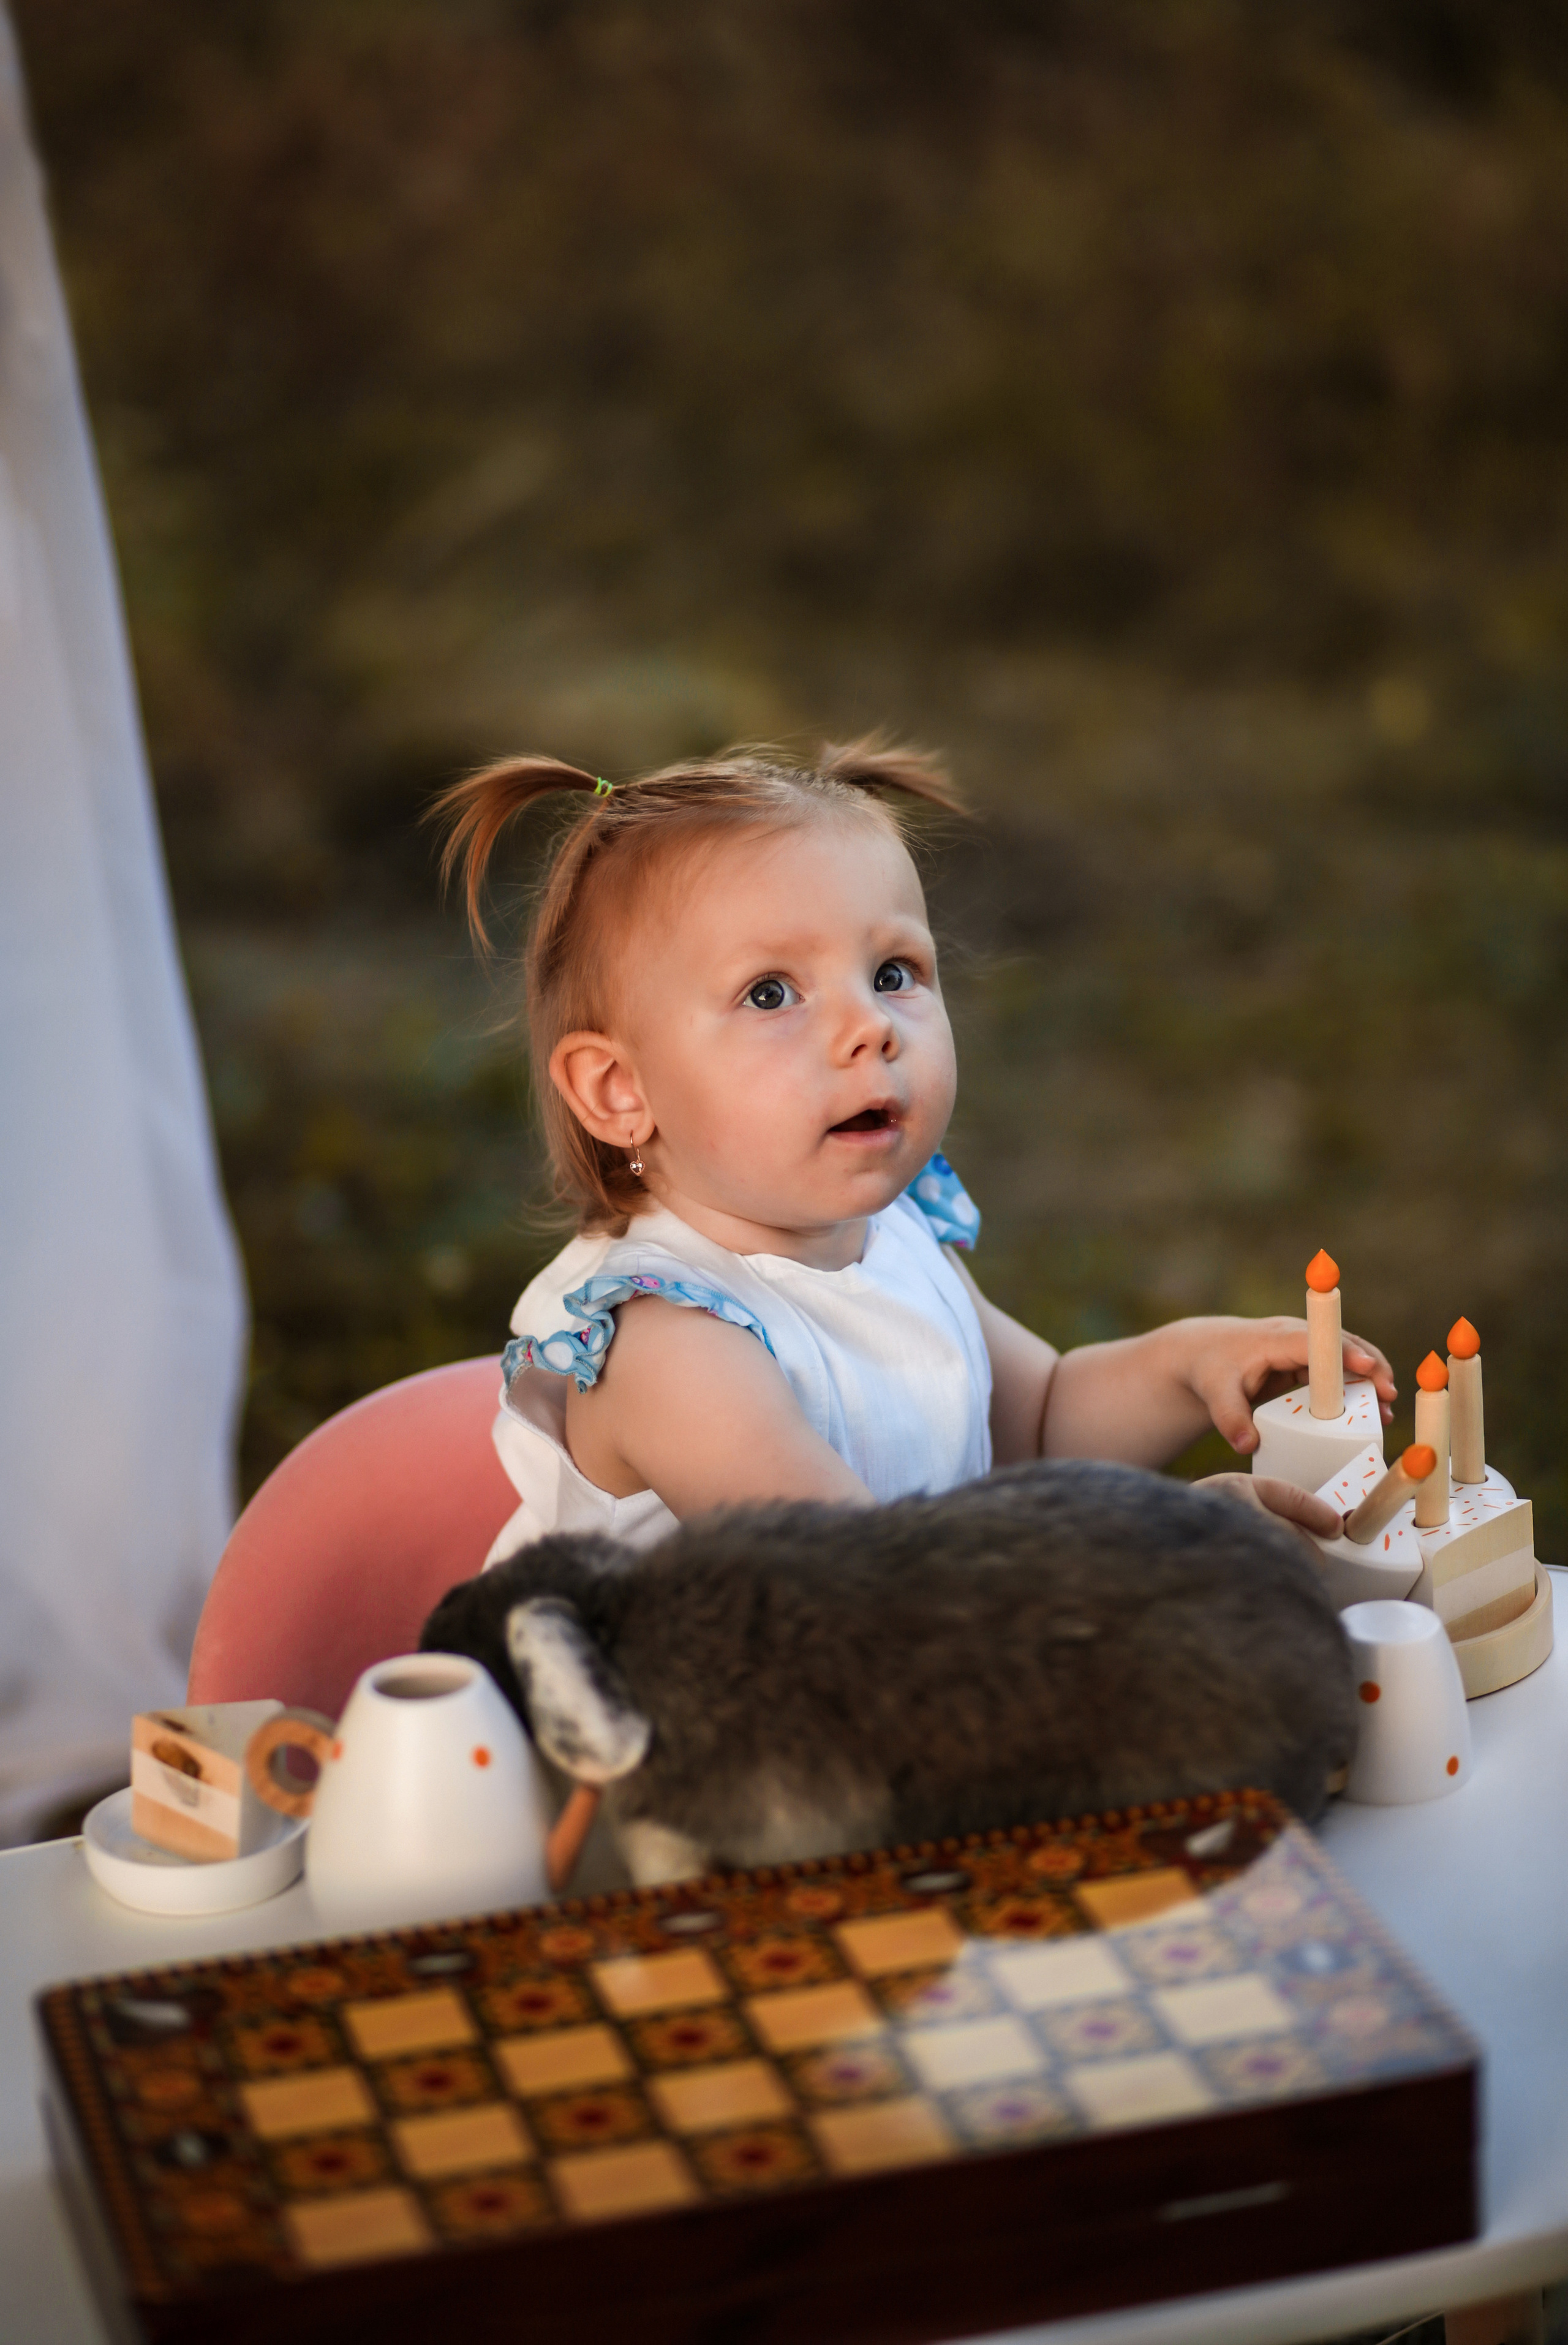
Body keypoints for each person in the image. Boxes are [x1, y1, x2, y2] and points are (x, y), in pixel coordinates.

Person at [433, 739, 1393, 1565]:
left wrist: (1190, 1365)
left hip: (902, 1694)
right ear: (620, 1091)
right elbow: (876, 1586)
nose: (870, 1028)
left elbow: (1040, 1424)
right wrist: (1155, 1542)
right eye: (772, 993)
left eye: (894, 973)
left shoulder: (889, 1235)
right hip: (663, 1758)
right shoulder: (673, 1345)